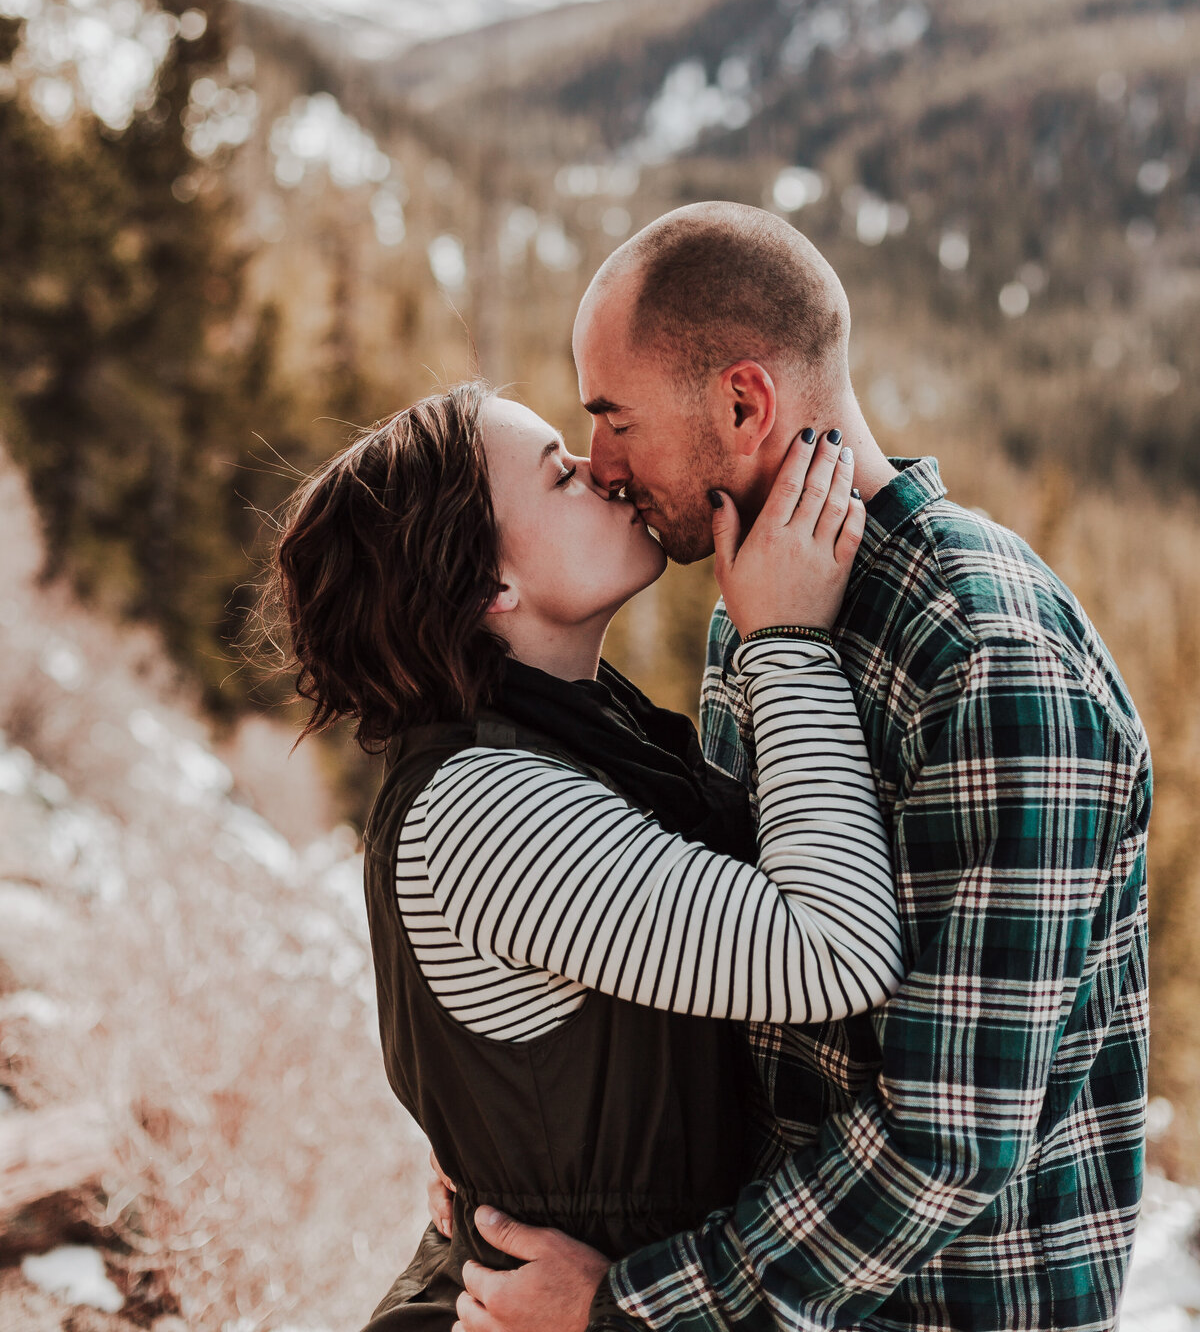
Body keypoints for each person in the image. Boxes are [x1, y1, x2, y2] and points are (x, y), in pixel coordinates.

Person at [454, 202, 1151, 1332]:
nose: (603, 463)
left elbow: (947, 1138)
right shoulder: (768, 603)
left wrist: (629, 1309)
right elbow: (738, 961)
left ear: (744, 402)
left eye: (616, 419)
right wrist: (519, 1151)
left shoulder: (989, 663)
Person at [267, 377, 904, 1331]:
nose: (605, 472)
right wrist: (786, 643)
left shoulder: (567, 737)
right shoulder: (484, 808)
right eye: (561, 477)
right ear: (492, 585)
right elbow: (833, 952)